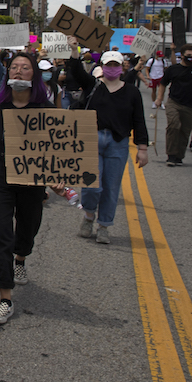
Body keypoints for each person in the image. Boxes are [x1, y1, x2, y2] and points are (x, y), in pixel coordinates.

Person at [0, 52, 53, 324]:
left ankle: (21, 259)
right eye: (14, 67)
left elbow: (54, 147)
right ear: (8, 73)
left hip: (32, 178)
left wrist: (54, 177)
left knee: (29, 224)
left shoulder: (45, 108)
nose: (19, 71)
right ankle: (5, 297)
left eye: (25, 67)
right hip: (2, 174)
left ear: (34, 74)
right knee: (1, 233)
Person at [66, 38, 149, 243]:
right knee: (92, 186)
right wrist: (74, 50)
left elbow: (139, 120)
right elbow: (76, 71)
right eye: (108, 64)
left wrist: (142, 148)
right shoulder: (93, 86)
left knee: (111, 187)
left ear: (121, 67)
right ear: (102, 66)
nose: (112, 68)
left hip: (118, 143)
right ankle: (89, 216)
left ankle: (104, 225)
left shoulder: (132, 91)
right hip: (92, 140)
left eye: (115, 65)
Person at [155, 44, 192, 166]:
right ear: (182, 55)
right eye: (188, 55)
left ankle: (179, 156)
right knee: (174, 126)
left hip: (191, 106)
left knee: (184, 131)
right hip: (174, 103)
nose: (191, 57)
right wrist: (159, 98)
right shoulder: (173, 69)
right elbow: (163, 83)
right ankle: (171, 155)